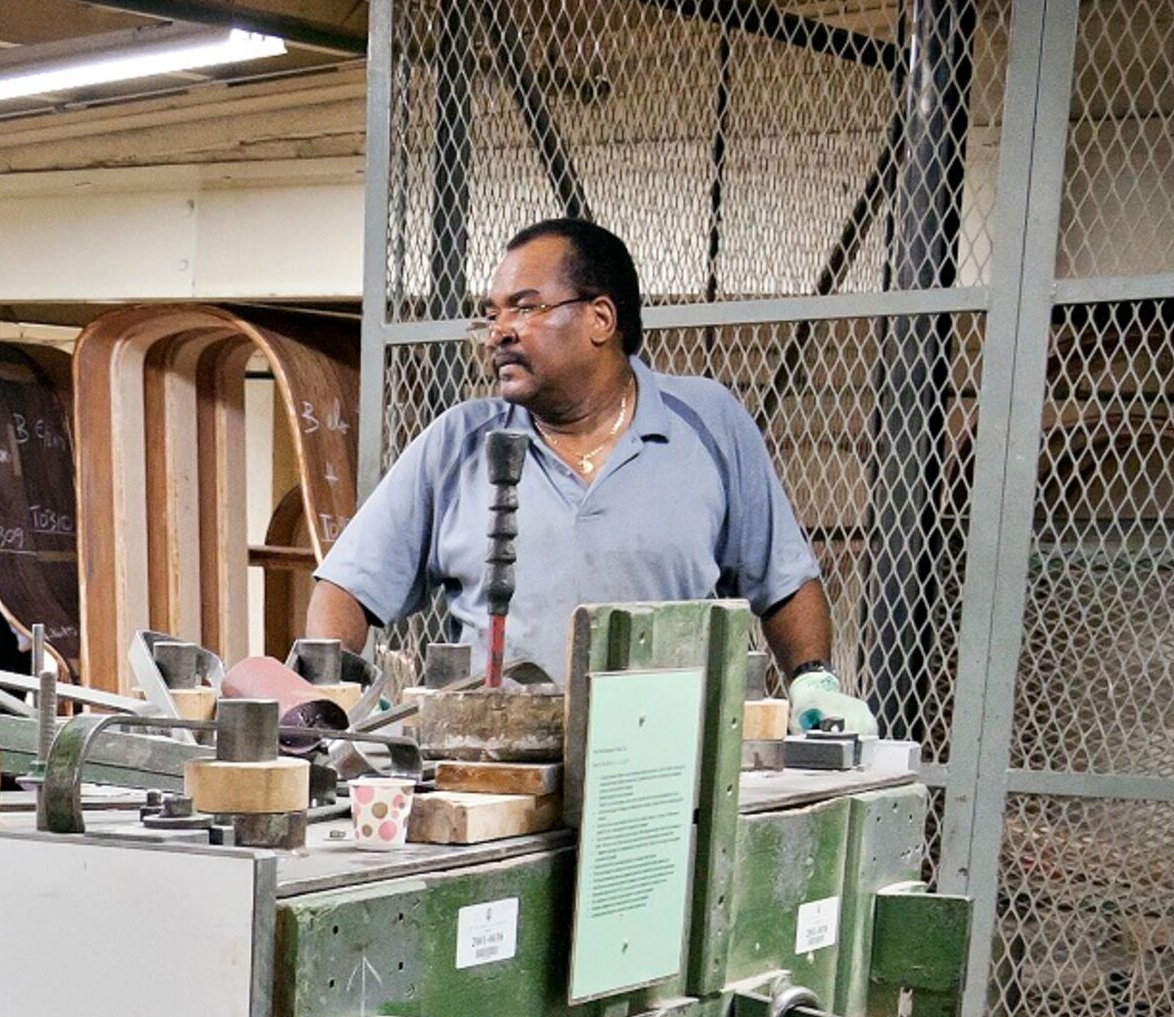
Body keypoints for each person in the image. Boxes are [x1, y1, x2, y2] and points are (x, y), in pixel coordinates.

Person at [302, 216, 877, 734]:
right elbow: (348, 586)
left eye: (525, 308)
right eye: (492, 314)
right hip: (496, 763)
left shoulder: (707, 422)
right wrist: (331, 694)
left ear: (600, 318)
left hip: (665, 757)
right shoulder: (459, 442)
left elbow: (781, 580)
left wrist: (813, 684)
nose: (500, 330)